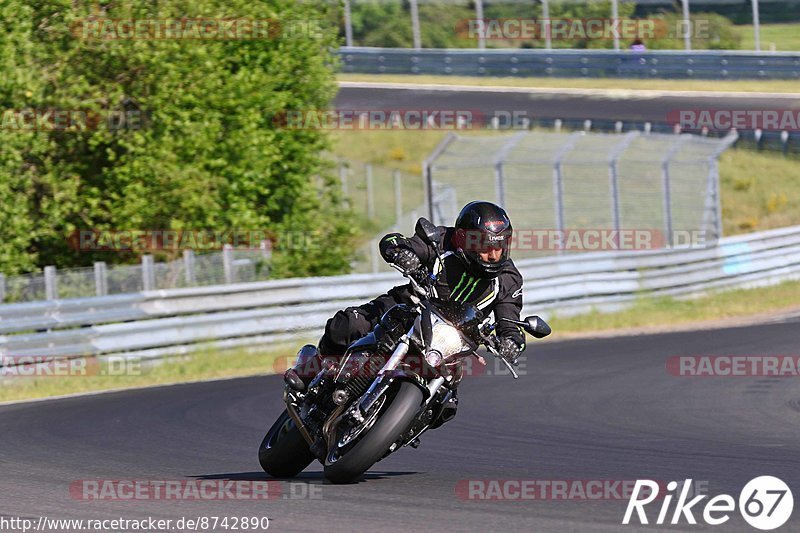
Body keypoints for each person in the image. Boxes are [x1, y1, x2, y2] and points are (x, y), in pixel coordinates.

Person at [285, 201, 527, 394]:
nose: (494, 255)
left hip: (450, 344)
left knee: (447, 400)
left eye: (500, 246)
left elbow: (510, 321)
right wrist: (402, 253)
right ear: (464, 240)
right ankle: (310, 370)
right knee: (351, 323)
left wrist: (512, 342)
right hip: (408, 308)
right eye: (486, 247)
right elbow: (393, 241)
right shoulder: (442, 241)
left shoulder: (508, 279)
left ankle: (400, 426)